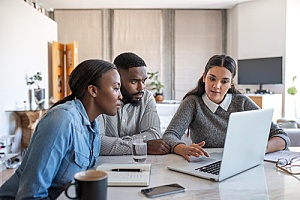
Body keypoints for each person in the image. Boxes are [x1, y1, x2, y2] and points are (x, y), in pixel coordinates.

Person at [0, 59, 122, 199]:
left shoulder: (94, 127)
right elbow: (31, 195)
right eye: (116, 88)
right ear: (93, 90)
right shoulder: (62, 120)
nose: (120, 96)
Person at [162, 54, 291, 161]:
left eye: (224, 81)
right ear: (204, 77)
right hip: (205, 164)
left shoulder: (241, 102)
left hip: (241, 164)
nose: (217, 86)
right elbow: (169, 135)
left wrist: (264, 148)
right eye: (212, 79)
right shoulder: (192, 103)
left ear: (230, 84)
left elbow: (281, 136)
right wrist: (183, 148)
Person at [98, 52, 170, 155]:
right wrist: (140, 146)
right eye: (134, 82)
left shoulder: (147, 97)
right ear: (117, 78)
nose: (141, 88)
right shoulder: (102, 98)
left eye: (144, 81)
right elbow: (99, 143)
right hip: (104, 166)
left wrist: (116, 144)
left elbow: (154, 134)